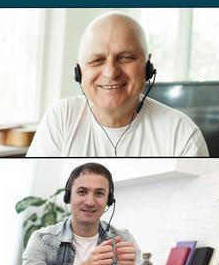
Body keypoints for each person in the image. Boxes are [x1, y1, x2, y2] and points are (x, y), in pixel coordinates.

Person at [25, 12, 208, 158]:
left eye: (126, 57)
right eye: (97, 60)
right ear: (78, 71)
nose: (111, 72)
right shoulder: (61, 119)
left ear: (148, 67)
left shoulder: (182, 135)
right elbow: (38, 200)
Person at [15, 162, 149, 265]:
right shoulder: (42, 239)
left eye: (99, 193)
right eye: (82, 192)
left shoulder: (122, 239)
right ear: (68, 197)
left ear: (108, 200)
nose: (90, 202)